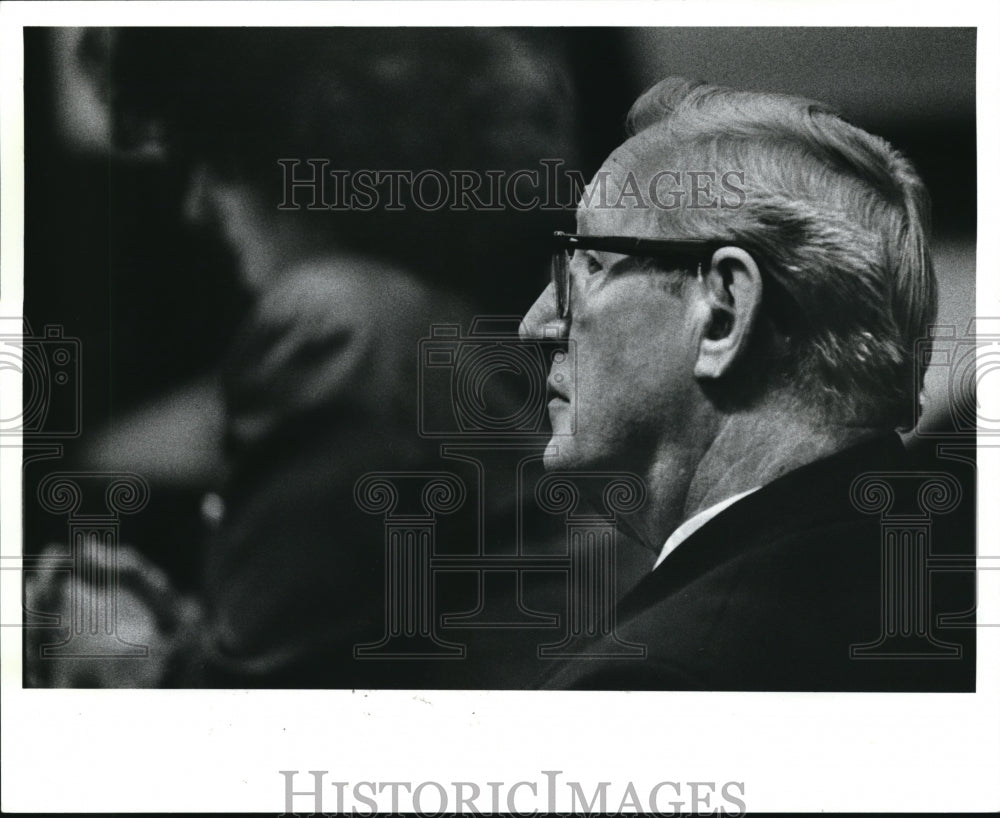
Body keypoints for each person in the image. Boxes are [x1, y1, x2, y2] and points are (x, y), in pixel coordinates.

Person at [520, 77, 975, 690]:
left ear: (724, 312)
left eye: (591, 266)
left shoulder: (661, 681)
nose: (538, 324)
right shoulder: (948, 592)